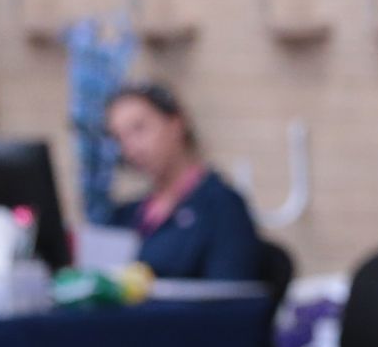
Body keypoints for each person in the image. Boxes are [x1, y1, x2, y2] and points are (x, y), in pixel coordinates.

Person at [104, 82, 262, 282]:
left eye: (139, 129)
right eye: (120, 138)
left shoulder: (221, 206)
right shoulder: (124, 216)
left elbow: (230, 297)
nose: (130, 147)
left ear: (176, 124)